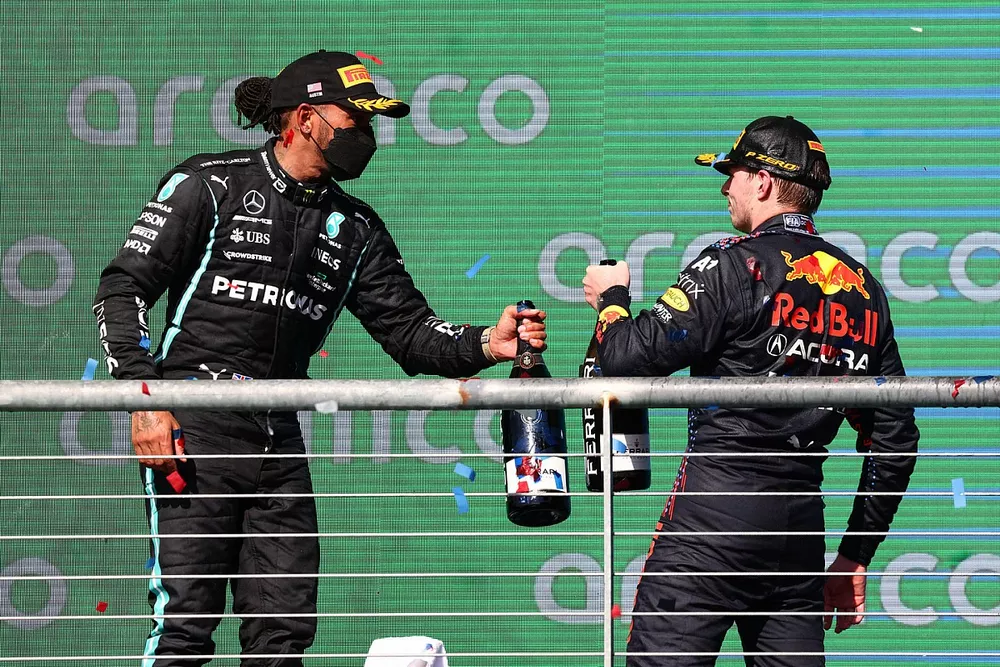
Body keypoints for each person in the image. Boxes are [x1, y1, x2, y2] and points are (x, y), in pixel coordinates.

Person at [93, 50, 547, 666]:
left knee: (282, 635)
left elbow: (411, 334)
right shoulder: (210, 182)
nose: (369, 136)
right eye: (357, 120)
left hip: (278, 433)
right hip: (192, 426)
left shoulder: (355, 227)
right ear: (305, 118)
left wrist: (486, 345)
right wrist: (144, 401)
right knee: (184, 627)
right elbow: (122, 290)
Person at [582, 116, 919, 667]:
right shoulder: (865, 289)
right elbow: (896, 438)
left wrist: (612, 298)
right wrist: (855, 557)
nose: (724, 186)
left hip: (710, 524)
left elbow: (622, 359)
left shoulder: (733, 264)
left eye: (732, 173)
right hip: (798, 542)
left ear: (762, 183)